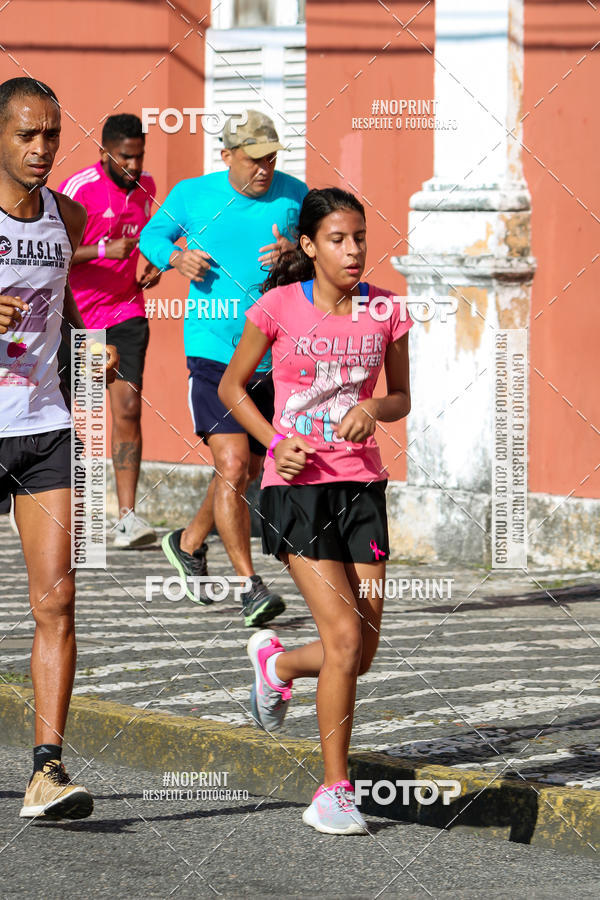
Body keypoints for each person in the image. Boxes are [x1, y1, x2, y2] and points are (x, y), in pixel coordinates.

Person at [218, 187, 412, 834]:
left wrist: (373, 408)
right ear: (309, 246)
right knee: (345, 636)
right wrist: (277, 441)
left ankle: (276, 664)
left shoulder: (386, 308)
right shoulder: (279, 307)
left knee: (361, 653)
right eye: (337, 238)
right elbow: (231, 386)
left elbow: (402, 396)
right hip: (297, 487)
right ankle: (333, 790)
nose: (353, 249)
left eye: (359, 236)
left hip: (362, 488)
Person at [0, 77, 118, 819]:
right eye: (26, 136)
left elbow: (66, 300)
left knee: (59, 598)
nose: (42, 149)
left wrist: (87, 350)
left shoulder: (65, 216)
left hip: (41, 426)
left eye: (51, 135)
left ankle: (47, 769)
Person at [140, 109, 308, 626]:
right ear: (228, 155)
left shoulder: (295, 194)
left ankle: (188, 543)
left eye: (271, 158)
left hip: (270, 350)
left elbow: (314, 252)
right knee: (234, 464)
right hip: (212, 344)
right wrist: (177, 260)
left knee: (246, 469)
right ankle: (249, 585)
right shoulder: (194, 194)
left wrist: (292, 252)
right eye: (254, 159)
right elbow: (152, 237)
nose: (264, 168)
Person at [58, 114, 160, 549]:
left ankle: (127, 519)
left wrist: (154, 261)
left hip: (127, 312)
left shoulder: (149, 188)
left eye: (139, 156)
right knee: (82, 419)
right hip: (80, 315)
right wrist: (102, 249)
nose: (135, 166)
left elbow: (151, 238)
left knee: (128, 409)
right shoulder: (79, 189)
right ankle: (70, 511)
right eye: (125, 158)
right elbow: (53, 251)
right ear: (105, 154)